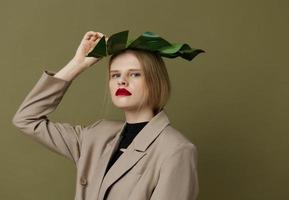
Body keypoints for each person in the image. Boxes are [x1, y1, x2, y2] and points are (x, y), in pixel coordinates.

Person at [12, 31, 199, 200]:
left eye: (134, 74)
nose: (122, 81)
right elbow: (26, 119)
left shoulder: (176, 150)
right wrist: (77, 64)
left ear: (155, 81)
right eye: (115, 75)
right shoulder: (96, 135)